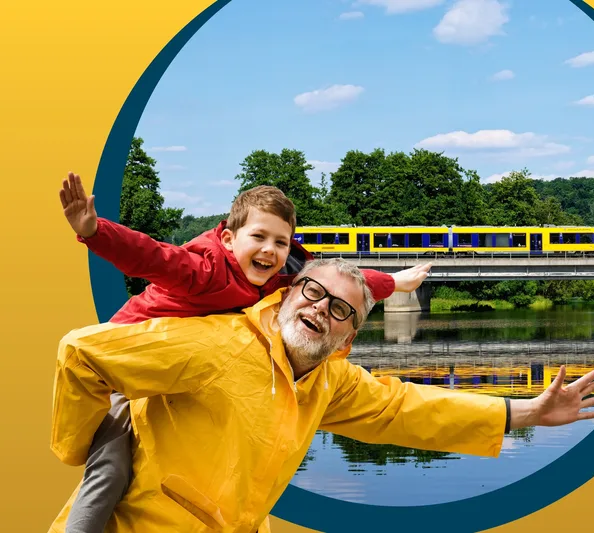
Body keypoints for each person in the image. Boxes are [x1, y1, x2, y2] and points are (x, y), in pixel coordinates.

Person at [49, 257, 594, 533]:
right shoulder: (216, 345)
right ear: (287, 295)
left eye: (340, 309)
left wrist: (526, 411)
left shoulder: (328, 381)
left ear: (349, 338)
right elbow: (81, 353)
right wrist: (82, 448)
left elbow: (408, 409)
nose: (321, 308)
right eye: (313, 293)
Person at [58, 173, 433, 533]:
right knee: (111, 467)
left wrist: (395, 282)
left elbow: (339, 284)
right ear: (228, 238)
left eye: (281, 242)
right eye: (259, 236)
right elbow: (151, 256)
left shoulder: (277, 280)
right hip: (128, 370)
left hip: (179, 378)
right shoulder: (202, 270)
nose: (270, 249)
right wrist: (94, 232)